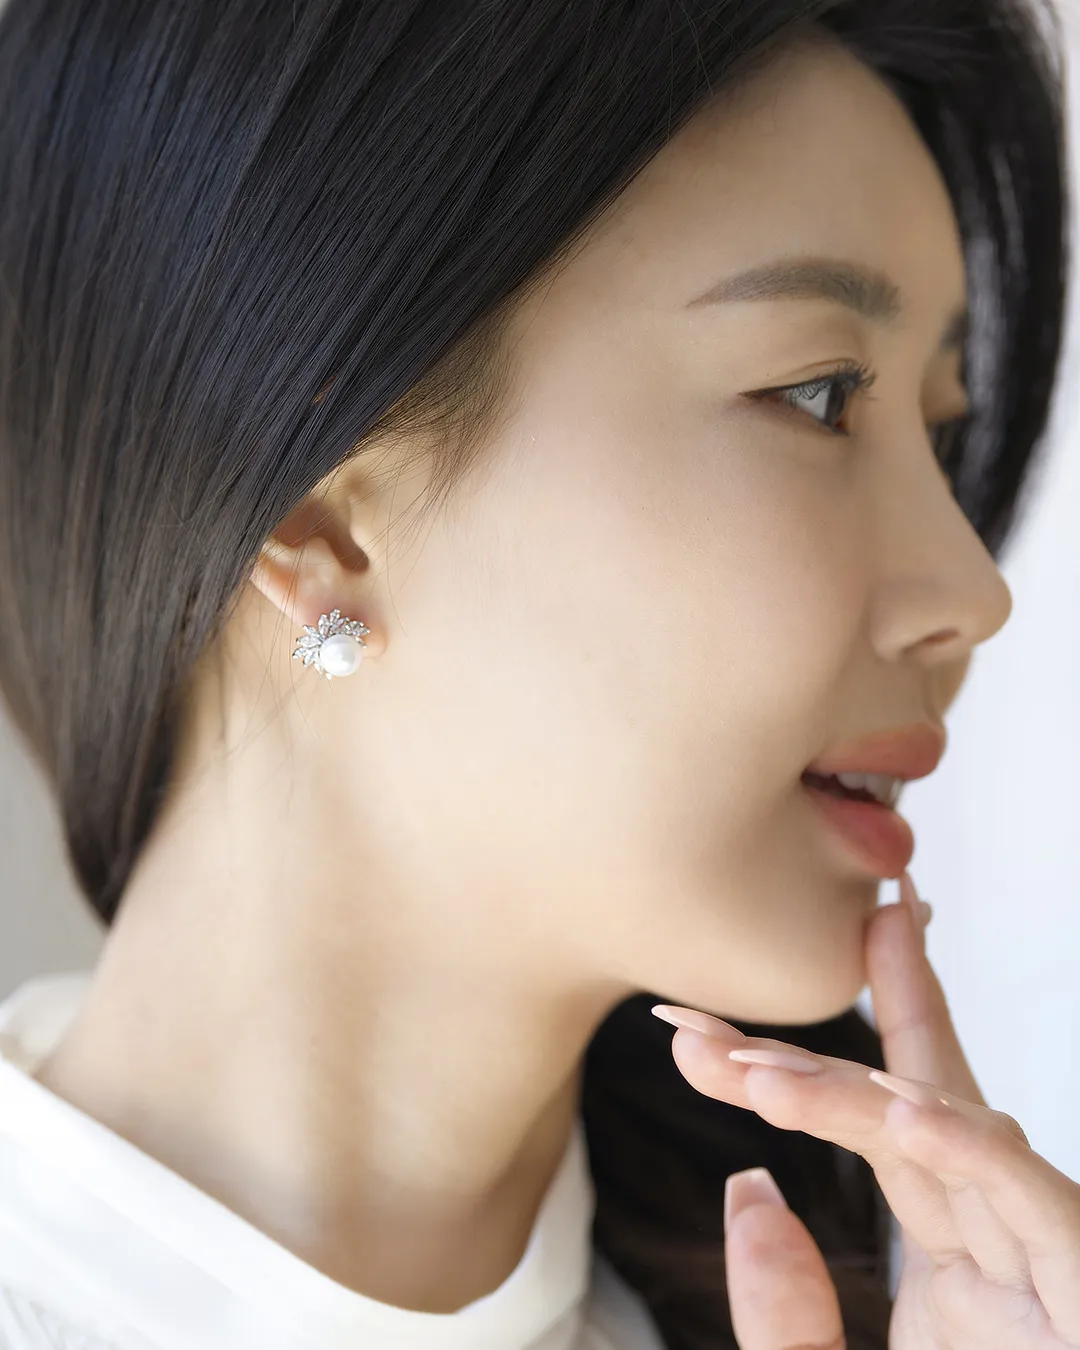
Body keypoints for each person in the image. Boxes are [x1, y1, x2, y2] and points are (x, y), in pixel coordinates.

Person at [0, 1, 1070, 1347]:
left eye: (941, 429)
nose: (974, 592)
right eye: (819, 395)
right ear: (317, 520)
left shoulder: (888, 1298)